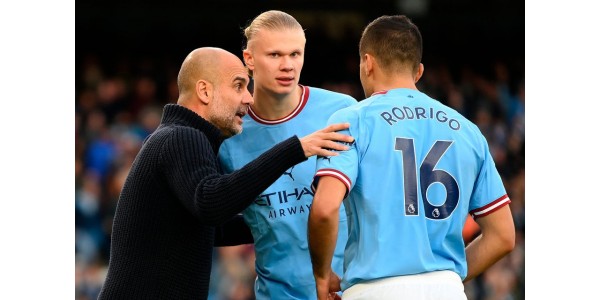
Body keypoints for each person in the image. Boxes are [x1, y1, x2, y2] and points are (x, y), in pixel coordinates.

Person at [97, 47, 354, 299]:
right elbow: (212, 203)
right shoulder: (183, 136)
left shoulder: (176, 137)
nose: (249, 98)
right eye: (238, 86)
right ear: (205, 91)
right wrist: (295, 149)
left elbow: (212, 228)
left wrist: (283, 218)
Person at [307, 15, 515, 300]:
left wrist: (322, 276)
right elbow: (503, 236)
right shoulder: (468, 130)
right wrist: (447, 281)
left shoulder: (353, 119)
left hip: (374, 290)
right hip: (447, 290)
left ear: (367, 63)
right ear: (418, 72)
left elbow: (324, 209)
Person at [218, 10, 357, 300]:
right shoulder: (230, 133)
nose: (287, 66)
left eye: (295, 54)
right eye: (275, 55)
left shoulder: (342, 111)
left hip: (349, 291)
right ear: (249, 59)